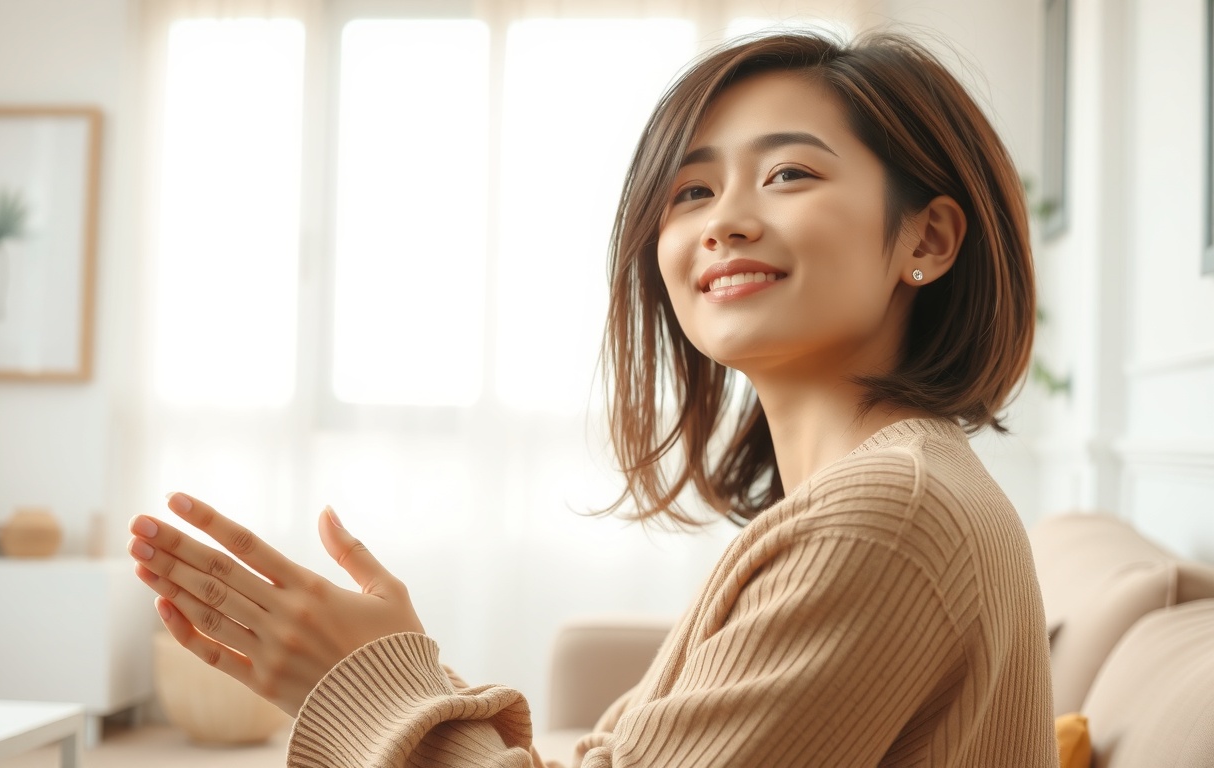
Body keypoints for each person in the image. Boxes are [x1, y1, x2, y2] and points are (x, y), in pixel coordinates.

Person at [127, 30, 1056, 767]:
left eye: (789, 174)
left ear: (926, 239)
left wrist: (365, 682)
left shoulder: (886, 517)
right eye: (690, 190)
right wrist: (391, 673)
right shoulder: (875, 494)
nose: (724, 219)